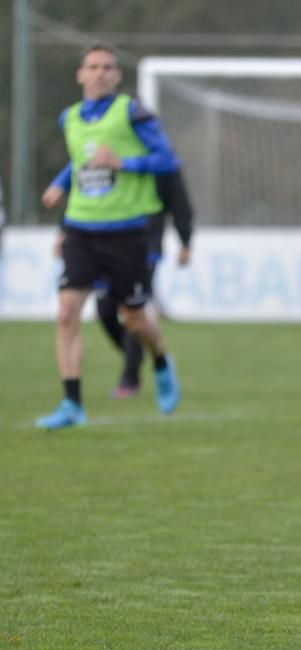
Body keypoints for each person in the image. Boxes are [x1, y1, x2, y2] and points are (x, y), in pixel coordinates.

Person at [37, 43, 181, 429]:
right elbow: (82, 159)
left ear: (117, 76)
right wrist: (59, 182)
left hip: (126, 232)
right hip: (80, 229)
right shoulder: (69, 118)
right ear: (80, 75)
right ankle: (72, 404)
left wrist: (125, 163)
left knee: (134, 319)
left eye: (107, 67)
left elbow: (168, 159)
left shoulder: (132, 113)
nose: (100, 72)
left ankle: (162, 361)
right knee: (67, 313)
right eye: (92, 66)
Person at [95, 168, 194, 398]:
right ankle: (147, 354)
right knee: (105, 311)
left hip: (143, 247)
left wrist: (185, 241)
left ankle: (129, 379)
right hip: (103, 243)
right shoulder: (109, 150)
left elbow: (179, 202)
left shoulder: (159, 158)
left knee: (132, 312)